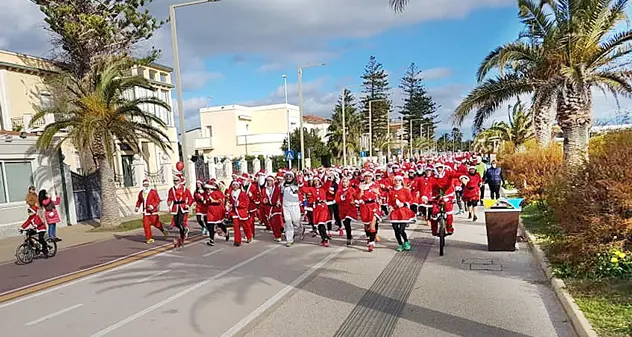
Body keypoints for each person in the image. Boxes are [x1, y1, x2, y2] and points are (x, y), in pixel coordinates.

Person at [135, 179, 168, 244]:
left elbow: (157, 200)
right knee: (146, 225)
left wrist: (152, 206)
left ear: (148, 185)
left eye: (147, 184)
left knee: (155, 223)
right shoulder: (141, 193)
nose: (146, 186)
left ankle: (162, 229)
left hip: (153, 211)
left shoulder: (153, 192)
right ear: (143, 185)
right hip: (145, 212)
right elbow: (139, 201)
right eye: (144, 184)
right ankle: (149, 238)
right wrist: (137, 207)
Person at [388, 175, 414, 252]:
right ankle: (400, 244)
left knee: (401, 230)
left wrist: (404, 204)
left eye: (399, 180)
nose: (397, 182)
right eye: (396, 180)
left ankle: (406, 241)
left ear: (401, 181)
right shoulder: (391, 191)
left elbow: (410, 200)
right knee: (396, 230)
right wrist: (390, 206)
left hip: (403, 212)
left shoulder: (405, 190)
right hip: (394, 212)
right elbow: (389, 201)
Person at [429, 164, 457, 236]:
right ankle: (434, 230)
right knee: (434, 214)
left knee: (449, 213)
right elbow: (428, 187)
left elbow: (456, 175)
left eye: (440, 168)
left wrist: (462, 177)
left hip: (448, 195)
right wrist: (426, 196)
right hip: (436, 196)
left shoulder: (448, 174)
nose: (439, 169)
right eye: (437, 168)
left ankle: (449, 228)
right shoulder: (432, 177)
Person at [357, 171, 382, 252]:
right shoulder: (361, 186)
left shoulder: (375, 185)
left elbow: (380, 194)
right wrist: (361, 192)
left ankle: (371, 243)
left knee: (372, 224)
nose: (368, 178)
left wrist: (377, 193)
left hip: (374, 206)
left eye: (369, 176)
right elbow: (358, 197)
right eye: (366, 176)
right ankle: (369, 237)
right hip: (364, 207)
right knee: (366, 225)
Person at [167, 174, 193, 249]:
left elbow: (190, 198)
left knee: (180, 222)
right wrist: (169, 203)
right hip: (175, 207)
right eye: (174, 181)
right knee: (175, 223)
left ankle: (182, 237)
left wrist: (188, 204)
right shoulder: (171, 189)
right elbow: (170, 198)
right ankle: (184, 230)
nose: (175, 182)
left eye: (177, 180)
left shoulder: (184, 189)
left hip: (182, 207)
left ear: (180, 181)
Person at [227, 179, 253, 246]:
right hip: (235, 213)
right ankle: (237, 241)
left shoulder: (243, 194)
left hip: (242, 212)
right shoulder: (231, 194)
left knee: (246, 226)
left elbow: (246, 203)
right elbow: (230, 202)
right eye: (233, 185)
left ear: (239, 186)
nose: (235, 186)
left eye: (236, 185)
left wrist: (238, 204)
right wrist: (229, 206)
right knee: (236, 227)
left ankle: (249, 236)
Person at [281, 171, 303, 247]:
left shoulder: (297, 185)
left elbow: (300, 191)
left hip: (294, 206)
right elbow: (281, 194)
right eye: (287, 176)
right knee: (288, 223)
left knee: (296, 222)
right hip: (286, 206)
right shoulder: (282, 185)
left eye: (290, 176)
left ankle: (301, 229)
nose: (288, 178)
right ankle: (289, 240)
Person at [204, 179, 228, 246]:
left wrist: (214, 200)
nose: (207, 189)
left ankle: (226, 232)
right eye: (206, 188)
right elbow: (206, 201)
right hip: (209, 211)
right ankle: (211, 240)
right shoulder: (206, 194)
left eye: (208, 188)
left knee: (220, 224)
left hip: (217, 211)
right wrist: (205, 201)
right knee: (210, 226)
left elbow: (220, 201)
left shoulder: (217, 192)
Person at [335, 176, 357, 246]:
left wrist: (355, 201)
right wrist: (341, 198)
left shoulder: (351, 189)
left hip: (350, 208)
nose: (345, 183)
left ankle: (348, 238)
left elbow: (356, 196)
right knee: (346, 224)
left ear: (349, 183)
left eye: (346, 182)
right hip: (342, 209)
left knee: (347, 221)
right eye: (343, 182)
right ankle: (349, 235)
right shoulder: (339, 191)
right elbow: (337, 200)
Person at [309, 176, 331, 247]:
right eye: (314, 181)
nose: (316, 182)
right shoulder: (311, 189)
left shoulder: (323, 189)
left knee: (321, 223)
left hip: (323, 208)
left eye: (317, 181)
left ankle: (326, 238)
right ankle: (323, 238)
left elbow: (328, 184)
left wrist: (328, 178)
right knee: (318, 225)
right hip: (316, 209)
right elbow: (303, 189)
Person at [261, 175, 283, 242]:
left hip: (276, 207)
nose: (269, 182)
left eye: (270, 181)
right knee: (272, 223)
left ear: (273, 182)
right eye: (268, 181)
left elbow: (280, 196)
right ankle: (277, 233)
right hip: (268, 207)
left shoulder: (277, 188)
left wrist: (279, 201)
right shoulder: (264, 189)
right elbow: (262, 198)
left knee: (275, 222)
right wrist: (263, 200)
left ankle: (278, 235)